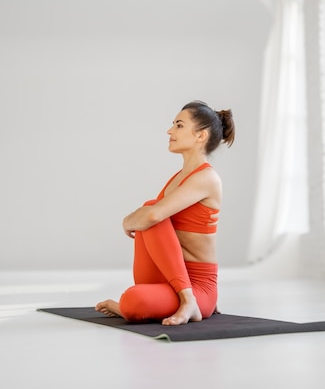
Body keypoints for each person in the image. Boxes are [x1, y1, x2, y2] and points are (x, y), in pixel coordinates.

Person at [95, 100, 235, 326]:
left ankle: (189, 302)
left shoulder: (207, 178)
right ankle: (169, 301)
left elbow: (151, 216)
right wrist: (133, 219)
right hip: (169, 277)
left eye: (179, 125)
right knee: (152, 211)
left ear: (201, 136)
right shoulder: (178, 178)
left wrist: (128, 221)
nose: (170, 131)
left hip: (199, 286)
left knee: (152, 213)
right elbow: (150, 218)